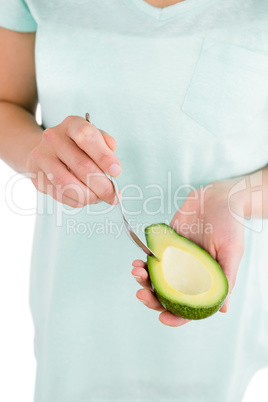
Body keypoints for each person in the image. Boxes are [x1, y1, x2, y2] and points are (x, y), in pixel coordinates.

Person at [0, 0, 268, 401]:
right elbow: (7, 104)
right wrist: (37, 153)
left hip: (224, 342)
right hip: (75, 326)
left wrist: (232, 199)